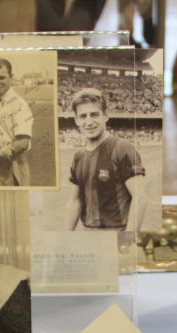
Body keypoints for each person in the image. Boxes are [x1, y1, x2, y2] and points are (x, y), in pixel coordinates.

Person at [66, 88, 147, 238]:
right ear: (76, 120)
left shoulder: (122, 148)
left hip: (116, 233)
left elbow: (140, 197)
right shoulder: (78, 157)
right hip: (88, 234)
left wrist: (128, 238)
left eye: (94, 114)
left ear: (105, 116)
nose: (89, 122)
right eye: (83, 116)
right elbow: (75, 200)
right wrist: (66, 236)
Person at [0, 59, 34, 186]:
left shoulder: (19, 104)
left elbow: (23, 142)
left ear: (11, 77)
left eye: (1, 78)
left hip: (13, 163)